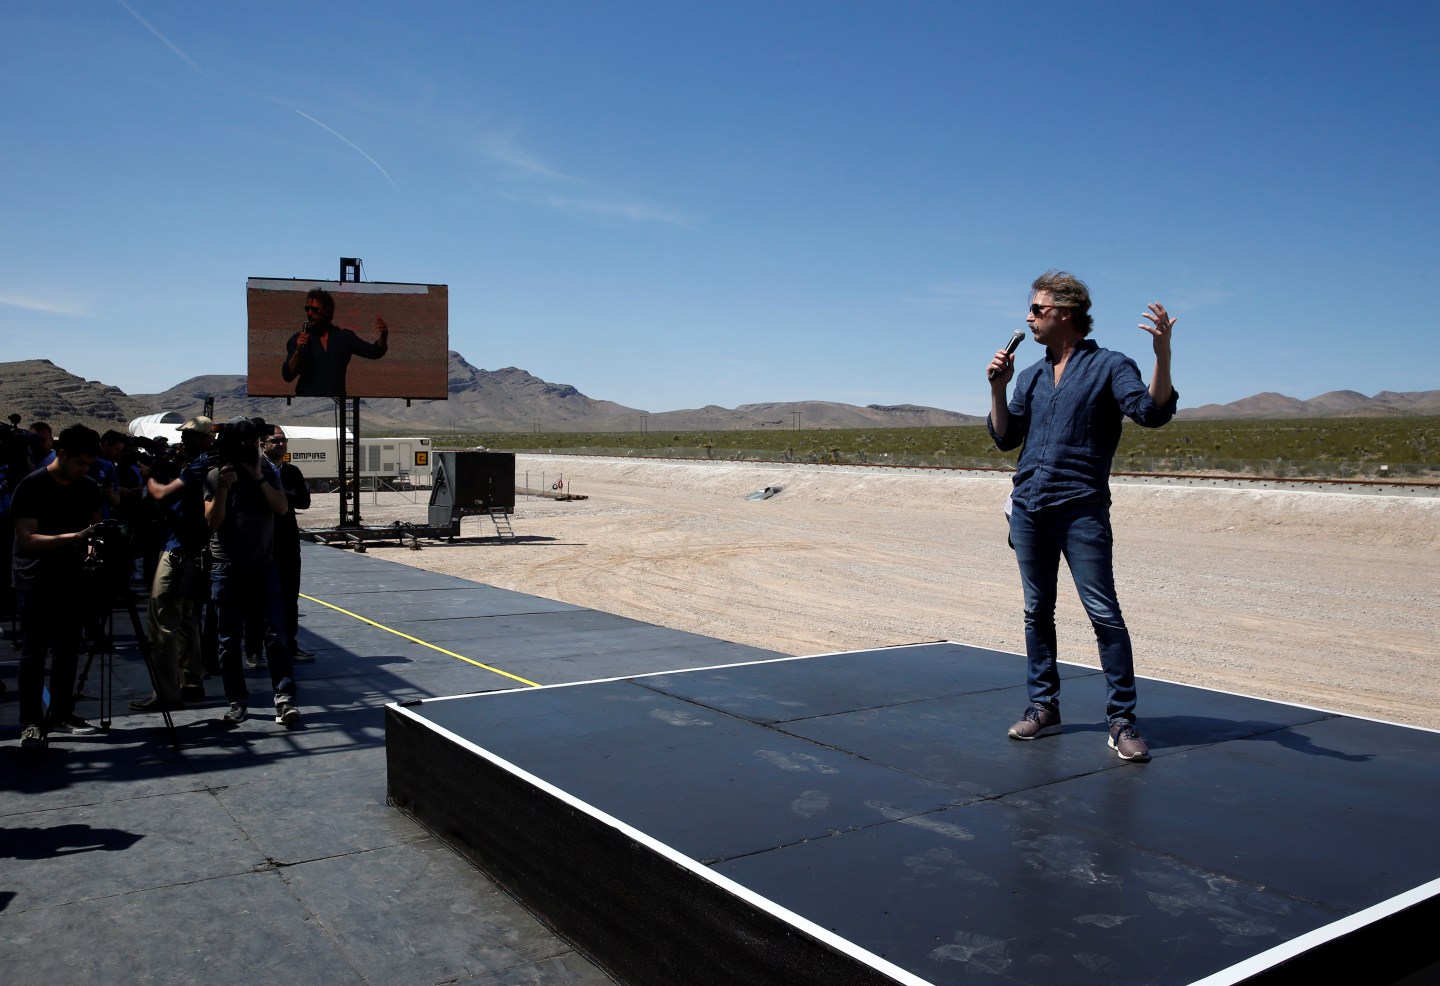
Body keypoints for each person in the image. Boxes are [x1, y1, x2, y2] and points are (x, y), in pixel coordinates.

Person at [987, 270, 1177, 763]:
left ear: (1065, 313)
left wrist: (1162, 355)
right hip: (1029, 506)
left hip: (1081, 509)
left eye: (1037, 309)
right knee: (1037, 611)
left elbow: (1152, 412)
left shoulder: (1110, 366)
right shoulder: (1029, 376)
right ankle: (1043, 707)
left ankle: (1122, 720)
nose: (1029, 317)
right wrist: (998, 389)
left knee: (1103, 613)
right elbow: (1006, 438)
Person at [11, 424, 104, 748]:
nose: (84, 469)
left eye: (89, 464)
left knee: (68, 650)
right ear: (61, 454)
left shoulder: (87, 486)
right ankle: (31, 721)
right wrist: (76, 537)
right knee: (34, 654)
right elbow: (28, 539)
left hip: (72, 577)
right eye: (79, 463)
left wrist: (92, 550)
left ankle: (62, 713)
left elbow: (95, 528)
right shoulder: (32, 486)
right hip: (36, 577)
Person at [204, 417, 300, 727]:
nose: (251, 449)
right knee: (229, 640)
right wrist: (223, 487)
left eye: (255, 443)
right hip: (227, 567)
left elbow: (282, 508)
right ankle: (236, 700)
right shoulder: (216, 475)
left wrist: (258, 477)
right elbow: (213, 522)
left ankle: (284, 698)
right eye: (246, 444)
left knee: (276, 635)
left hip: (263, 565)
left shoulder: (267, 472)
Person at [132, 417, 213, 712]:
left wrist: (149, 476)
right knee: (188, 620)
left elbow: (161, 494)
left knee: (162, 622)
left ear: (205, 439)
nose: (184, 442)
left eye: (190, 437)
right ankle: (191, 682)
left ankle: (166, 692)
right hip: (192, 551)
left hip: (177, 550)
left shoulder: (200, 466)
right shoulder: (205, 464)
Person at [261, 425, 311, 661]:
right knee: (260, 597)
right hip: (262, 542)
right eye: (275, 441)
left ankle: (290, 644)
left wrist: (280, 495)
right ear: (263, 444)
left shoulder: (292, 472)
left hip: (288, 542)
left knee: (290, 597)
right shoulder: (256, 470)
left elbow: (304, 501)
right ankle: (257, 648)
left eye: (283, 441)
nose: (281, 444)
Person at [280, 287, 388, 397]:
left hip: (336, 401)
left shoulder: (344, 337)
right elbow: (288, 375)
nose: (309, 313)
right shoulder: (298, 340)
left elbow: (374, 352)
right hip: (307, 402)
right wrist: (298, 351)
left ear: (327, 312)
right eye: (307, 309)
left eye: (315, 310)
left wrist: (384, 335)